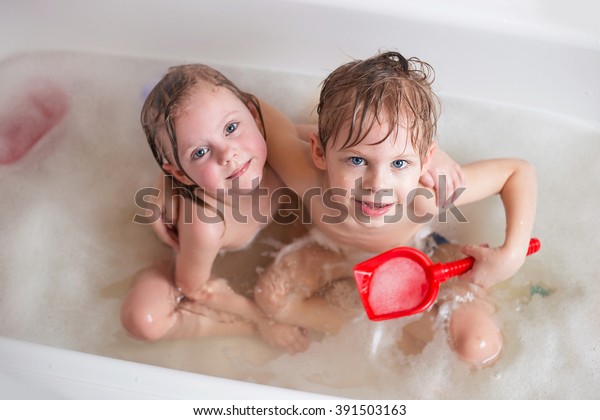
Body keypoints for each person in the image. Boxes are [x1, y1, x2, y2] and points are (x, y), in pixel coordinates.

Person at [121, 63, 465, 353]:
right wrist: (260, 319)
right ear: (180, 171)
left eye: (231, 128)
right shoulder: (205, 222)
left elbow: (349, 142)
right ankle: (242, 331)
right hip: (192, 262)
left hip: (271, 227)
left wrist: (429, 159)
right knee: (144, 321)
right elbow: (194, 286)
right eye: (200, 152)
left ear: (254, 117)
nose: (229, 154)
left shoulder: (273, 153)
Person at [255, 51, 537, 366]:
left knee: (478, 344)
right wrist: (303, 130)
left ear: (425, 162)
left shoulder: (425, 196)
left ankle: (388, 331)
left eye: (400, 162)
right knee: (270, 300)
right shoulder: (305, 174)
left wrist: (512, 254)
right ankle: (374, 329)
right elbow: (255, 111)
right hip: (327, 255)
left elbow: (518, 172)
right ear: (319, 153)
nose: (378, 185)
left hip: (418, 258)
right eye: (357, 160)